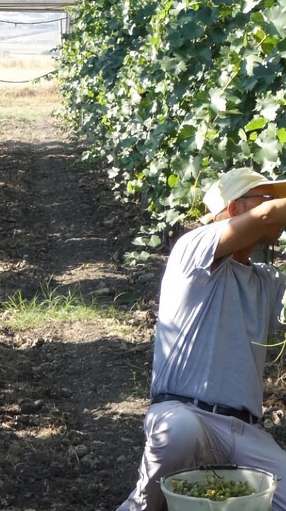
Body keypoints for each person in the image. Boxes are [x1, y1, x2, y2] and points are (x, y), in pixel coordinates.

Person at [119, 167, 286, 510]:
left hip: (245, 432)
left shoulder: (267, 280)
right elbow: (268, 215)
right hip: (183, 413)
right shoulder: (192, 251)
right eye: (265, 197)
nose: (275, 205)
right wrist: (270, 210)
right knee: (180, 433)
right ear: (234, 210)